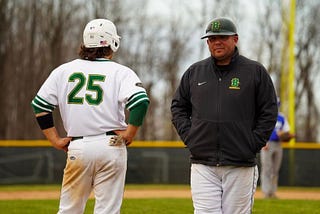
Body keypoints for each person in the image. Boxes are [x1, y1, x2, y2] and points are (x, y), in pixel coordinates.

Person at [31, 18, 149, 214]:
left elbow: (40, 105)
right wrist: (130, 133)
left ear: (85, 43)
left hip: (78, 147)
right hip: (111, 145)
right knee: (108, 210)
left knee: (69, 209)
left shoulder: (64, 70)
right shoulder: (121, 72)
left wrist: (55, 140)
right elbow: (140, 102)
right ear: (113, 43)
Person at [171, 17, 278, 214]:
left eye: (222, 37)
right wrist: (191, 137)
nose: (217, 42)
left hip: (240, 163)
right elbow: (178, 107)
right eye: (212, 39)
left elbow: (269, 111)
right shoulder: (195, 72)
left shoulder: (254, 71)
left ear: (235, 39)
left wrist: (252, 143)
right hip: (203, 162)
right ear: (207, 43)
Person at [260, 98, 294, 199]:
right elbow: (260, 129)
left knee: (275, 170)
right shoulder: (265, 115)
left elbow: (286, 131)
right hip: (267, 144)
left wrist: (288, 135)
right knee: (267, 169)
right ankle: (266, 192)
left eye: (277, 104)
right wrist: (263, 142)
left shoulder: (281, 117)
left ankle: (273, 192)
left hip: (278, 144)